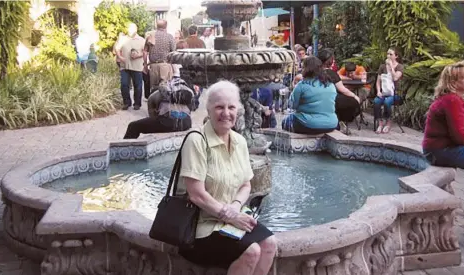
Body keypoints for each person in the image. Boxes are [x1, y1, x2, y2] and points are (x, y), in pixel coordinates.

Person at [177, 80, 276, 274]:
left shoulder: (239, 141)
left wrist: (235, 207)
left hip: (232, 217)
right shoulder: (196, 140)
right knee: (252, 251)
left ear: (238, 109)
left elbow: (247, 184)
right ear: (208, 109)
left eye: (231, 107)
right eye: (219, 107)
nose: (226, 113)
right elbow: (196, 195)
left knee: (270, 243)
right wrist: (229, 215)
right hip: (201, 225)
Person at [422, 61, 464, 221]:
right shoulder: (451, 101)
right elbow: (459, 136)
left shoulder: (454, 99)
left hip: (442, 149)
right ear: (454, 83)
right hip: (440, 151)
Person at [123, 77, 195, 139]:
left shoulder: (154, 95)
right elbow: (190, 111)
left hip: (167, 121)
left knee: (133, 126)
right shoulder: (188, 92)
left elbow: (152, 116)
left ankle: (123, 151)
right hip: (186, 123)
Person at [281, 56, 338, 134]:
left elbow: (292, 105)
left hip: (309, 124)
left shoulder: (302, 85)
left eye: (303, 67)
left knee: (286, 121)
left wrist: (293, 89)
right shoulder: (330, 84)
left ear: (306, 69)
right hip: (331, 124)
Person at [318, 49, 361, 131]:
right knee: (353, 103)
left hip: (319, 98)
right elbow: (342, 89)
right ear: (330, 61)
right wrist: (355, 96)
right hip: (331, 99)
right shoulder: (330, 73)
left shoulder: (316, 72)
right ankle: (340, 120)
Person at [374, 47, 404, 134]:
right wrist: (378, 91)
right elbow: (378, 81)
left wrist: (391, 66)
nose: (388, 56)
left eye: (391, 54)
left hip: (395, 93)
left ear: (396, 56)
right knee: (376, 101)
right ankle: (380, 123)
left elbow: (395, 78)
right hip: (384, 92)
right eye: (387, 54)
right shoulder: (382, 67)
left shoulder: (400, 67)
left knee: (387, 102)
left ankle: (388, 122)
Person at [116, 23, 146, 110]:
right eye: (128, 28)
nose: (129, 30)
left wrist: (138, 55)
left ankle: (137, 103)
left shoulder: (142, 40)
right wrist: (120, 56)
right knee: (124, 85)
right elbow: (117, 49)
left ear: (135, 29)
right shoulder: (123, 39)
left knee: (138, 86)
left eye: (131, 29)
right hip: (124, 66)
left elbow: (145, 52)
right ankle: (126, 102)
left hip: (137, 66)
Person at [145, 20, 176, 90]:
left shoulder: (150, 37)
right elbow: (173, 52)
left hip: (153, 66)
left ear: (156, 26)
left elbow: (145, 52)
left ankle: (154, 100)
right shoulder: (169, 37)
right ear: (166, 26)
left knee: (154, 89)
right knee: (166, 88)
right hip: (165, 65)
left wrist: (145, 65)